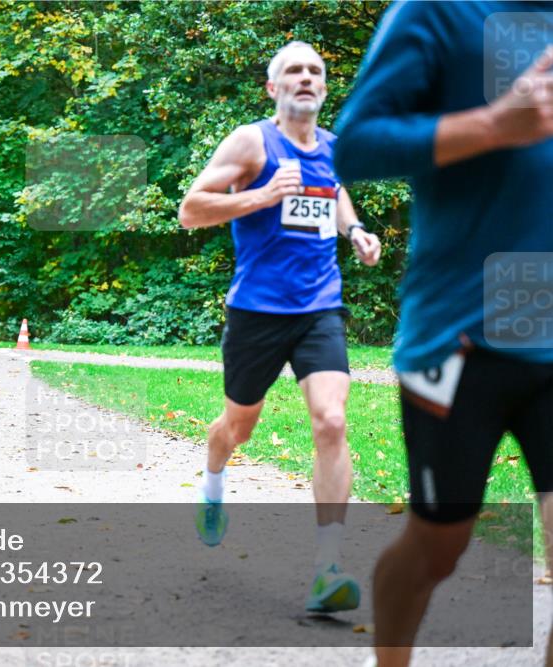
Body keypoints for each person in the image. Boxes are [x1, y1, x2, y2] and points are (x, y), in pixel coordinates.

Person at [333, 3, 553, 664]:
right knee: (440, 544)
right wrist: (492, 124)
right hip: (465, 331)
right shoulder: (438, 10)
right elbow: (355, 143)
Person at [178, 41, 382, 614]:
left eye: (316, 70)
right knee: (238, 427)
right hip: (257, 311)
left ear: (324, 86)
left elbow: (334, 191)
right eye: (293, 70)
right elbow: (191, 209)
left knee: (332, 419)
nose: (306, 78)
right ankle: (214, 480)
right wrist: (262, 195)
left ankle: (327, 567)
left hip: (319, 306)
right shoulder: (252, 141)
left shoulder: (334, 149)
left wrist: (356, 231)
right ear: (273, 88)